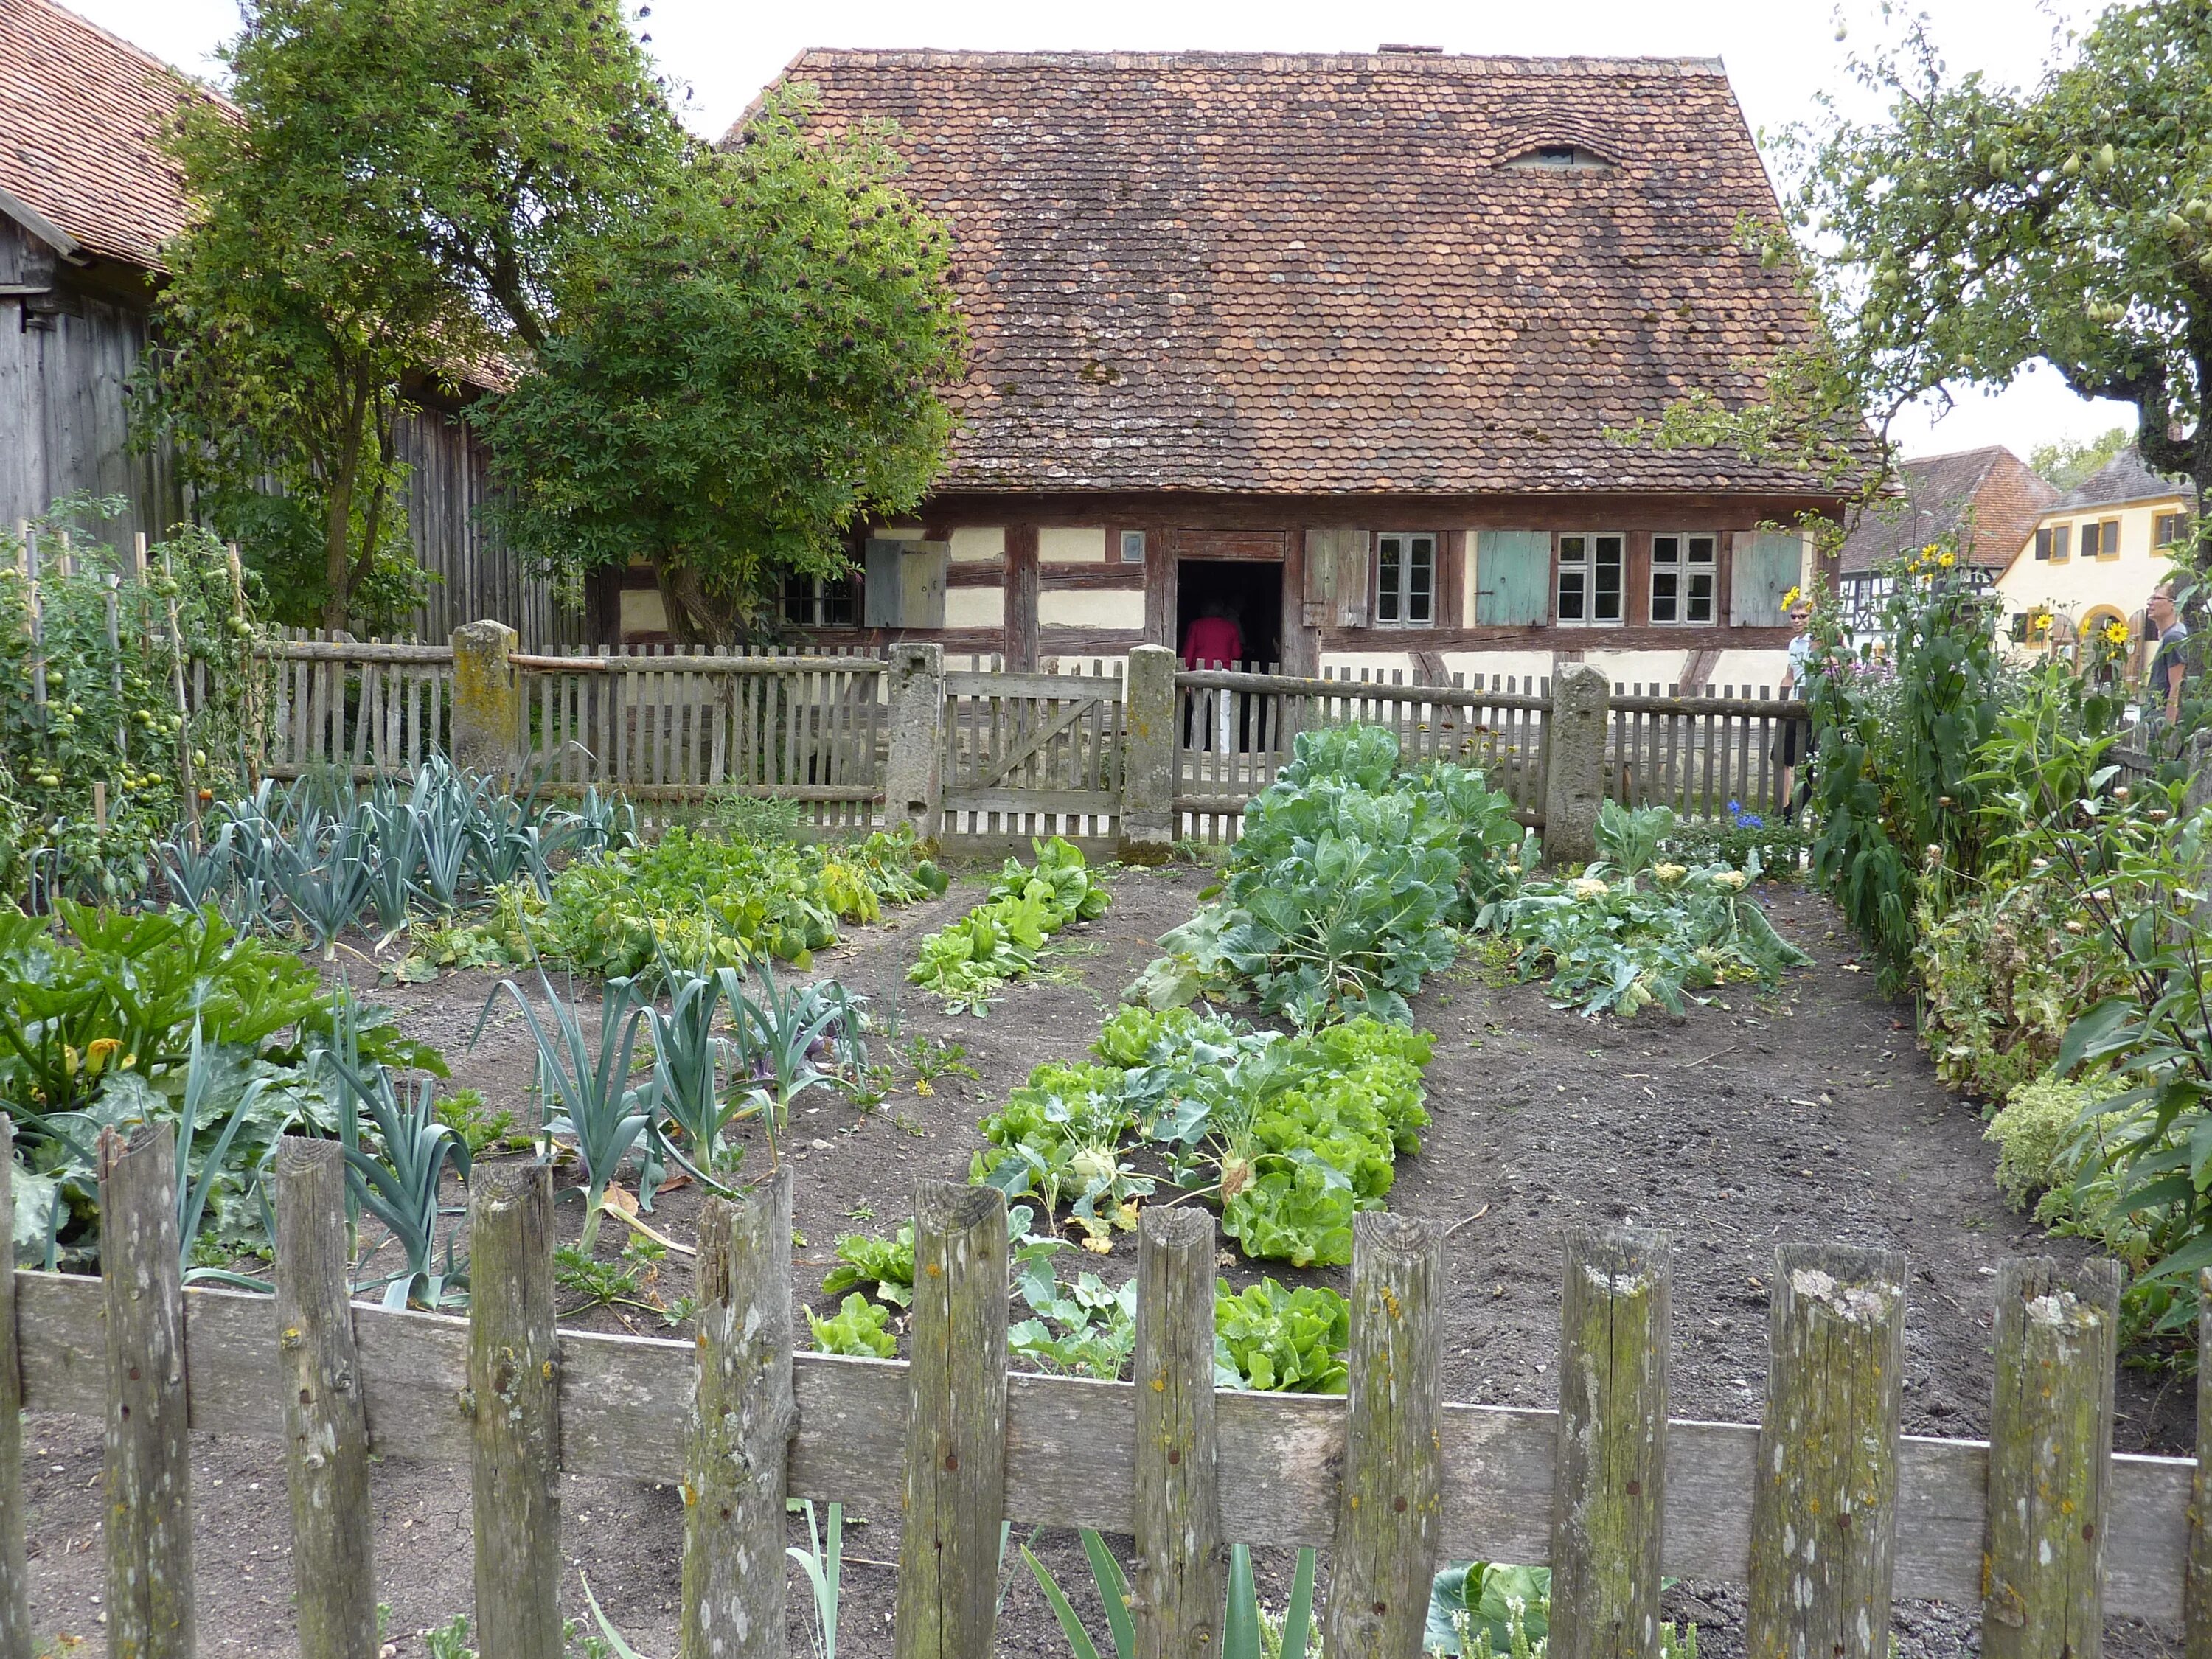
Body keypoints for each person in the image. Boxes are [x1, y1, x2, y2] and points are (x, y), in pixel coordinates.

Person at [1181, 599, 1245, 751]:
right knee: (1222, 714)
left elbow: (1188, 652)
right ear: (1221, 611)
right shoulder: (1230, 627)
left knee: (1198, 713)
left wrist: (1184, 676)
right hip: (1222, 674)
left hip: (1199, 674)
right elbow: (1237, 654)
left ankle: (1196, 750)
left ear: (1203, 611)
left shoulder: (1196, 626)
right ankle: (1224, 752)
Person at [1777, 596, 1817, 822]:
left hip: (1813, 707)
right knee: (1783, 757)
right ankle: (1785, 808)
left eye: (1802, 616)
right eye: (1793, 616)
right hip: (1795, 704)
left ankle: (1794, 811)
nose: (1797, 621)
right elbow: (1791, 673)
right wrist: (1784, 685)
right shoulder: (1793, 644)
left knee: (1809, 764)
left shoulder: (1820, 641)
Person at [2146, 582, 2189, 749]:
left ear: (2173, 604)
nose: (2150, 603)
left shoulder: (2175, 637)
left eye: (2157, 598)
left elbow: (2177, 685)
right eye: (2151, 598)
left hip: (2160, 722)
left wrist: (2168, 730)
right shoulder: (2168, 636)